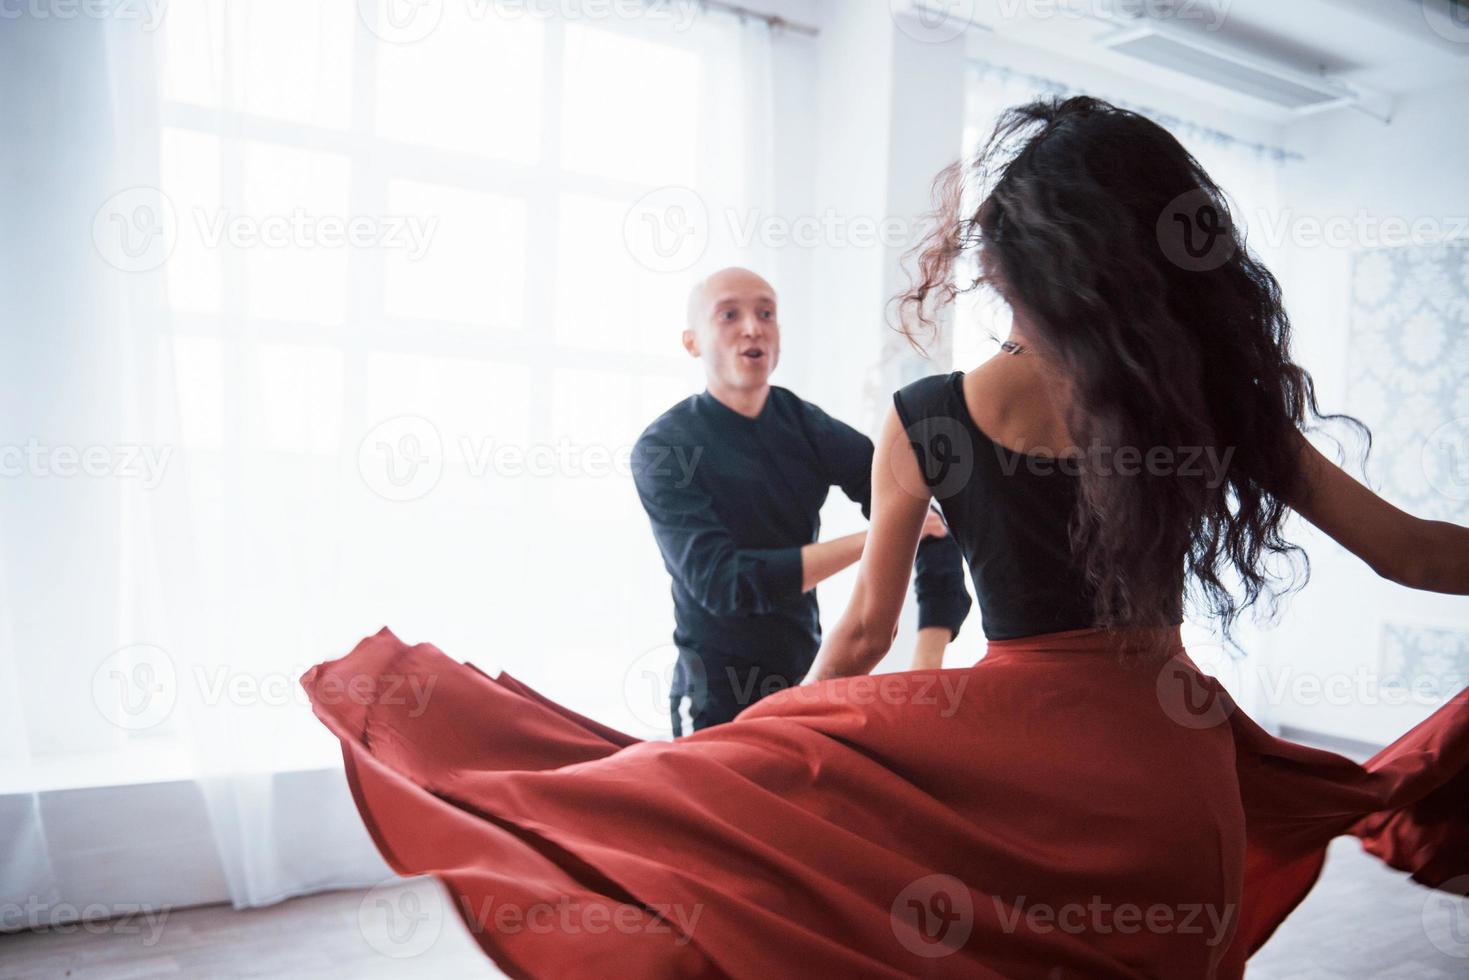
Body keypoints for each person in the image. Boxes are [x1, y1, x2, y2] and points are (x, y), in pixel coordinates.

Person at [303, 96, 1469, 978]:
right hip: (1168, 787)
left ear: (1018, 274)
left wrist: (751, 746)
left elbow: (860, 631)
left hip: (1006, 769)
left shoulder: (927, 417)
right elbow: (1412, 551)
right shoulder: (1204, 400)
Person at [631, 267, 971, 734]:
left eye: (766, 313)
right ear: (692, 341)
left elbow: (926, 517)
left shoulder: (808, 428)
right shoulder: (664, 449)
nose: (752, 327)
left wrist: (926, 662)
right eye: (729, 314)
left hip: (808, 682)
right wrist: (871, 540)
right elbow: (725, 585)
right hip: (714, 696)